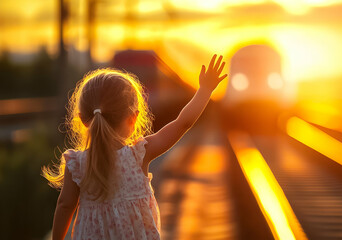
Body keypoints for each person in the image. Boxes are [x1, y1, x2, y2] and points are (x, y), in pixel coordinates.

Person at [42, 54, 227, 240]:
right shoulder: (139, 155)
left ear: (82, 119)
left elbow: (65, 205)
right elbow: (183, 123)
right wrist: (205, 90)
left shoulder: (76, 163)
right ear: (133, 118)